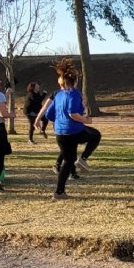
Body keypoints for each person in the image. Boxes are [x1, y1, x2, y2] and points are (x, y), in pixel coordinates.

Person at [45, 59, 102, 199]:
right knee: (96, 135)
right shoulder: (74, 93)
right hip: (74, 131)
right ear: (75, 80)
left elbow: (48, 114)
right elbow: (73, 114)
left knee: (67, 161)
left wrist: (60, 122)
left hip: (60, 132)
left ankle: (59, 192)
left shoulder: (58, 94)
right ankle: (83, 159)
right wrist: (86, 120)